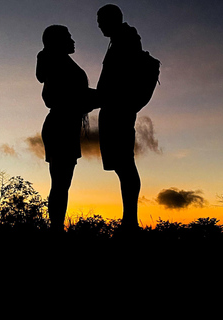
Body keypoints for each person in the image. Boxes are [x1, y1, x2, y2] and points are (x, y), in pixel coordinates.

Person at [36, 25, 96, 232]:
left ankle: (56, 228)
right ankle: (56, 230)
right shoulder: (56, 62)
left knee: (62, 183)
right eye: (68, 37)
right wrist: (104, 96)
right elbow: (74, 97)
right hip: (60, 126)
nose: (73, 40)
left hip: (65, 126)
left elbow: (79, 97)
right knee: (61, 184)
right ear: (58, 41)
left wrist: (100, 96)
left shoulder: (60, 62)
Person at [96, 4, 143, 231]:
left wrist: (101, 97)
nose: (98, 25)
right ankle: (129, 221)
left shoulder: (126, 38)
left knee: (125, 165)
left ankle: (130, 222)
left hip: (119, 111)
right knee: (122, 166)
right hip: (115, 110)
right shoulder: (120, 39)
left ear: (112, 19)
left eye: (100, 20)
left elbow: (121, 78)